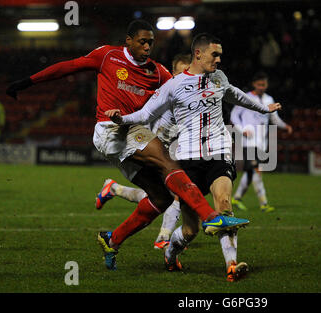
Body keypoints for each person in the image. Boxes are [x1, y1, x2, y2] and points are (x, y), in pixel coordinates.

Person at [5, 21, 249, 271]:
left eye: (151, 42)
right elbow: (69, 67)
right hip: (110, 130)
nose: (147, 46)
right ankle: (211, 217)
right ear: (128, 40)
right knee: (168, 163)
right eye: (142, 41)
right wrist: (27, 82)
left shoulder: (157, 72)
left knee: (161, 197)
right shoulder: (107, 56)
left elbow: (180, 89)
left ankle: (112, 239)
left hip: (131, 134)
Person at [105, 33, 282, 281]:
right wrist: (121, 119)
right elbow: (145, 114)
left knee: (224, 205)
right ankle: (171, 253)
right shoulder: (173, 85)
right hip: (187, 160)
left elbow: (235, 94)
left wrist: (265, 108)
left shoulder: (219, 78)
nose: (219, 60)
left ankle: (231, 265)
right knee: (190, 230)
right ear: (198, 54)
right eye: (215, 54)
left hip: (219, 153)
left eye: (220, 55)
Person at [96, 53, 192, 250]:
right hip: (144, 146)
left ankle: (114, 190)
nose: (184, 78)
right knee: (174, 192)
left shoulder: (189, 99)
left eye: (187, 74)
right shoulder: (163, 94)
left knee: (159, 195)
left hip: (164, 149)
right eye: (180, 73)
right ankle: (163, 237)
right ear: (171, 74)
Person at [230, 71, 292, 212]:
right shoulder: (246, 98)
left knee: (251, 172)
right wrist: (242, 129)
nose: (261, 87)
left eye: (263, 84)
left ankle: (237, 198)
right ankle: (264, 203)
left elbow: (274, 118)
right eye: (259, 84)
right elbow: (234, 116)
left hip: (261, 142)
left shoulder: (269, 99)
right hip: (248, 141)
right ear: (254, 84)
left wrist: (285, 126)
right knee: (257, 170)